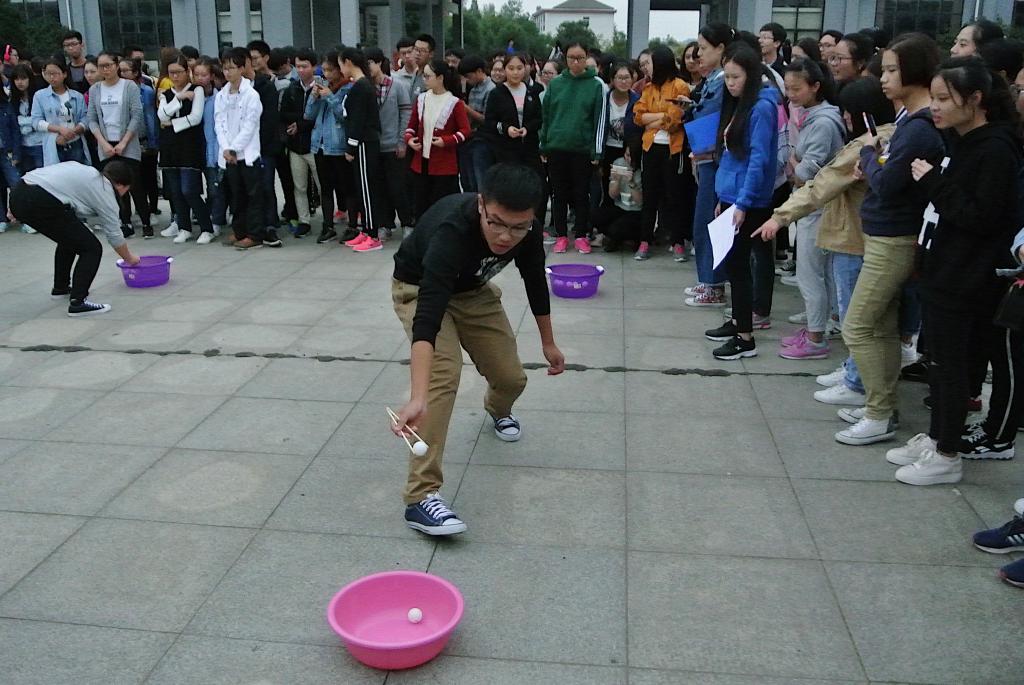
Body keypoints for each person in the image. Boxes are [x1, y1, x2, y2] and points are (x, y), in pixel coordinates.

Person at [389, 163, 565, 535]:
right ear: (482, 204)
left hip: (473, 291)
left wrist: (548, 342)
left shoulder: (528, 230)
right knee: (443, 376)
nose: (505, 237)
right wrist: (418, 397)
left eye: (518, 227)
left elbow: (535, 280)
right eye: (496, 223)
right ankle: (420, 496)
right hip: (420, 289)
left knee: (511, 378)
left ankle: (497, 410)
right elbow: (428, 319)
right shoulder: (451, 231)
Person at [885, 56, 1022, 485]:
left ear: (975, 99)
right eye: (935, 98)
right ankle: (937, 438)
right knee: (940, 362)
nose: (935, 107)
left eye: (944, 99)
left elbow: (979, 216)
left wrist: (932, 182)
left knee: (953, 366)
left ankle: (947, 454)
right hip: (943, 269)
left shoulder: (995, 149)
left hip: (966, 277)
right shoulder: (962, 141)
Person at [835, 33, 945, 447]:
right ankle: (880, 408)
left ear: (914, 71)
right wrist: (875, 159)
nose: (883, 78)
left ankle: (879, 413)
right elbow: (886, 173)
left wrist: (868, 155)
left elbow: (886, 182)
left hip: (894, 239)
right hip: (883, 234)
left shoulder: (918, 129)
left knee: (858, 325)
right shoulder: (908, 122)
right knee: (879, 326)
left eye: (892, 70)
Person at [760, 77, 896, 408]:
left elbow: (822, 182)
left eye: (849, 112)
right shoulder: (877, 139)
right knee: (857, 318)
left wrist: (780, 216)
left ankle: (858, 382)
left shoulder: (869, 143)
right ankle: (853, 371)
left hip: (854, 239)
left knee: (857, 322)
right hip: (851, 235)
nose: (845, 118)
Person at [757, 58, 844, 360]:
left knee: (811, 273)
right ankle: (820, 326)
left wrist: (794, 162)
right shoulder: (813, 116)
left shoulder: (823, 123)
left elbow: (806, 171)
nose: (791, 95)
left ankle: (816, 337)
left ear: (815, 86)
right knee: (819, 272)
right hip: (813, 204)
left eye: (797, 89)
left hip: (816, 205)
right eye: (789, 88)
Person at [702, 43, 779, 360]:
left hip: (750, 202)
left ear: (752, 75)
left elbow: (759, 161)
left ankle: (745, 338)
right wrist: (724, 199)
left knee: (739, 267)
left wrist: (743, 204)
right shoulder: (739, 105)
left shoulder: (762, 108)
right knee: (734, 266)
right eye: (728, 77)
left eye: (736, 77)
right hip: (732, 197)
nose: (731, 83)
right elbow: (733, 157)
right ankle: (737, 322)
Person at [7, 160, 140, 315]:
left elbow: (43, 179)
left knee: (70, 239)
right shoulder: (105, 189)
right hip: (38, 200)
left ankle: (61, 288)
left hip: (20, 192)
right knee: (92, 248)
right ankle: (78, 303)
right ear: (121, 185)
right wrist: (130, 259)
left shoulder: (87, 173)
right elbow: (114, 235)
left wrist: (15, 205)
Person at [538, 42, 606, 255]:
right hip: (557, 147)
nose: (576, 62)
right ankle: (561, 235)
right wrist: (544, 145)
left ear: (586, 58)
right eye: (571, 58)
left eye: (580, 58)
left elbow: (599, 120)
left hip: (582, 149)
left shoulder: (596, 85)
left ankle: (580, 235)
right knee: (558, 194)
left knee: (581, 194)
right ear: (565, 59)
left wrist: (596, 151)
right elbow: (546, 117)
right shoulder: (556, 84)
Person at [685, 23, 732, 307]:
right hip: (706, 157)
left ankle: (714, 285)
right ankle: (707, 279)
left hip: (715, 159)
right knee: (703, 220)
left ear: (721, 48)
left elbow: (710, 116)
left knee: (711, 221)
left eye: (703, 48)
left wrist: (693, 110)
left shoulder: (725, 80)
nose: (698, 54)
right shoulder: (714, 78)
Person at [631, 46, 690, 262]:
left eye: (651, 63)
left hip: (672, 148)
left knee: (674, 196)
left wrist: (652, 119)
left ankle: (677, 242)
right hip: (650, 147)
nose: (647, 67)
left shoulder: (680, 86)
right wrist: (658, 117)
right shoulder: (648, 88)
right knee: (650, 196)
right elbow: (638, 116)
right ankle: (644, 240)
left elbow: (674, 120)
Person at [87, 50, 151, 239]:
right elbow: (92, 119)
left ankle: (146, 221)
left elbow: (136, 115)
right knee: (114, 186)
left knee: (135, 184)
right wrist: (102, 142)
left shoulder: (129, 86)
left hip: (127, 143)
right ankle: (125, 222)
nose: (105, 69)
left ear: (116, 65)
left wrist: (124, 142)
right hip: (106, 143)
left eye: (108, 65)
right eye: (101, 66)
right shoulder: (95, 89)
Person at [157, 54, 215, 245]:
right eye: (171, 73)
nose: (175, 76)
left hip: (190, 146)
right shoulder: (166, 94)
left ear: (187, 72)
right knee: (175, 192)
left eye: (179, 72)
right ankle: (184, 227)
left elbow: (196, 117)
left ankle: (206, 228)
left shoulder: (196, 90)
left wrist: (172, 123)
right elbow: (161, 115)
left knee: (189, 190)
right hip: (169, 147)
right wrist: (179, 98)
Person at [403, 59, 470, 220]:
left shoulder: (454, 103)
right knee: (420, 204)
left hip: (444, 165)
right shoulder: (421, 99)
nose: (424, 80)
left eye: (428, 76)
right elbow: (411, 126)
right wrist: (409, 139)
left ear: (440, 78)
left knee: (440, 206)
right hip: (421, 162)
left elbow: (465, 131)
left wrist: (446, 140)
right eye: (423, 76)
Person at [215, 47, 265, 251]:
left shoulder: (251, 95)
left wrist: (234, 148)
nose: (227, 72)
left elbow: (249, 126)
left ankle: (255, 234)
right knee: (236, 196)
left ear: (242, 68)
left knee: (252, 196)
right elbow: (219, 123)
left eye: (232, 68)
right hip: (229, 155)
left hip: (247, 154)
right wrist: (226, 148)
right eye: (225, 68)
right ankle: (239, 230)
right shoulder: (222, 95)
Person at [305, 50, 357, 244]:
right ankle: (328, 226)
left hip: (339, 145)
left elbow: (344, 116)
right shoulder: (323, 87)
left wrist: (330, 97)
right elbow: (308, 115)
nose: (326, 74)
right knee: (325, 188)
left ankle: (352, 225)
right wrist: (314, 97)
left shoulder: (348, 88)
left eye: (330, 70)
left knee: (347, 187)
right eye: (324, 70)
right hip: (320, 145)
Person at [338, 47, 386, 252]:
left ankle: (373, 235)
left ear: (348, 62)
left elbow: (358, 120)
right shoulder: (360, 85)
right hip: (363, 142)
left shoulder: (362, 86)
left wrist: (351, 146)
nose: (341, 69)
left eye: (341, 64)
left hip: (365, 142)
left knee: (367, 190)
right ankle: (366, 230)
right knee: (361, 188)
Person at [366, 47, 414, 238]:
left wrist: (402, 141)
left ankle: (407, 223)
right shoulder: (365, 87)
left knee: (398, 187)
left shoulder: (397, 85)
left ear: (379, 62)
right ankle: (385, 224)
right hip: (373, 146)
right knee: (378, 188)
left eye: (370, 63)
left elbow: (406, 113)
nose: (368, 67)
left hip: (393, 145)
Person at [246, 41, 284, 248]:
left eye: (255, 58)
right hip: (245, 147)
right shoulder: (236, 88)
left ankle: (270, 225)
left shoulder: (267, 85)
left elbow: (269, 120)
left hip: (265, 145)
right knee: (252, 188)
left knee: (267, 185)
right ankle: (254, 225)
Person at [281, 48, 321, 238]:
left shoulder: (320, 87)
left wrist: (301, 124)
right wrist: (297, 123)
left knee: (322, 185)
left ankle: (328, 221)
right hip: (295, 145)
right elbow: (284, 113)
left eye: (304, 66)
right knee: (299, 186)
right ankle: (304, 220)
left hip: (315, 145)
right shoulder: (292, 89)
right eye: (298, 66)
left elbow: (318, 115)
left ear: (314, 66)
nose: (301, 70)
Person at [120, 58, 160, 229]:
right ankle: (127, 216)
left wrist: (152, 142)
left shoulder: (146, 91)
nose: (122, 74)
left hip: (144, 140)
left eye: (125, 71)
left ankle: (152, 210)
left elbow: (150, 118)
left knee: (148, 177)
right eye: (120, 70)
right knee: (130, 180)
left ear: (136, 72)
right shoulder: (118, 91)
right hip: (125, 142)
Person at [32, 58, 89, 168]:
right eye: (48, 74)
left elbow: (85, 119)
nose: (52, 77)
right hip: (54, 143)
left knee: (77, 173)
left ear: (64, 74)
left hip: (75, 142)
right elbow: (36, 121)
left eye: (55, 74)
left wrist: (71, 133)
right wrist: (60, 130)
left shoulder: (77, 96)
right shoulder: (40, 96)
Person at [194, 58, 227, 237]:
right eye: (196, 74)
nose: (200, 78)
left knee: (215, 189)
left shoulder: (218, 98)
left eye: (204, 75)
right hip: (194, 150)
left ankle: (216, 221)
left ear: (212, 76)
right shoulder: (190, 96)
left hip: (213, 150)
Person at [600, 62, 640, 210]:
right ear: (612, 79)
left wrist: (632, 148)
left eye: (627, 77)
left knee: (626, 187)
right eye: (619, 77)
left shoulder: (638, 101)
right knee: (607, 186)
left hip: (627, 151)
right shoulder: (604, 99)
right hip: (607, 149)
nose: (623, 81)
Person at [457, 55, 497, 192]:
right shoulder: (473, 90)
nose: (467, 80)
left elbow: (487, 119)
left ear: (479, 71)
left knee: (480, 180)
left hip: (483, 140)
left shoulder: (491, 89)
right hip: (470, 137)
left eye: (468, 76)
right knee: (467, 180)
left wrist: (467, 109)